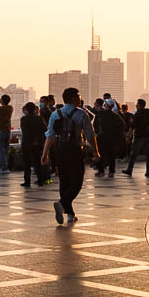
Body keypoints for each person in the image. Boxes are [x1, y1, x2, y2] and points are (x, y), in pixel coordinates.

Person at [45, 87, 95, 224]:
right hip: (75, 151)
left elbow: (50, 136)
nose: (80, 98)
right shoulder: (81, 114)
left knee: (64, 181)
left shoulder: (56, 114)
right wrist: (96, 152)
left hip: (59, 151)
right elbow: (90, 135)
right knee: (77, 182)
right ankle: (62, 204)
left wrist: (45, 154)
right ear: (73, 99)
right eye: (78, 96)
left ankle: (70, 214)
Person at [123, 98, 149, 177]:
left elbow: (132, 127)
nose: (136, 106)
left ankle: (129, 170)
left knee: (134, 154)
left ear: (139, 106)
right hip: (148, 136)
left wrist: (128, 136)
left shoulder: (137, 115)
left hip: (139, 137)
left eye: (137, 104)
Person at [19, 101, 48, 187]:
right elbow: (44, 129)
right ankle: (40, 180)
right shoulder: (39, 118)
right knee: (37, 162)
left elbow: (25, 132)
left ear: (27, 110)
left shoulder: (24, 119)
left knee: (27, 163)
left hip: (27, 144)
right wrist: (37, 140)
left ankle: (27, 181)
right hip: (37, 143)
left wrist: (30, 141)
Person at [93, 98, 124, 177]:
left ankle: (101, 171)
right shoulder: (115, 115)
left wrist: (97, 132)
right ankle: (111, 172)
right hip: (112, 139)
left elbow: (95, 125)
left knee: (101, 154)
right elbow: (122, 125)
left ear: (106, 105)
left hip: (101, 138)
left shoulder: (100, 114)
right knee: (111, 155)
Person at [0, 93, 15, 173]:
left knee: (0, 150)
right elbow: (4, 104)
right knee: (6, 150)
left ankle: (3, 167)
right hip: (7, 131)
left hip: (0, 131)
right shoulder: (10, 108)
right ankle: (6, 167)